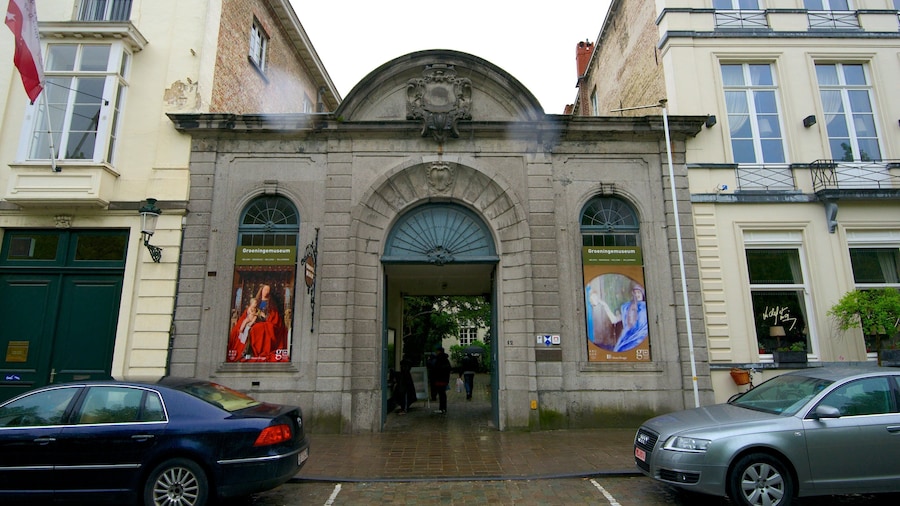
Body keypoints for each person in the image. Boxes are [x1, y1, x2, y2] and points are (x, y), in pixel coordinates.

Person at [596, 284, 649, 353]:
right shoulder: (628, 308)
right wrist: (604, 305)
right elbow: (614, 320)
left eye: (638, 292)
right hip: (628, 341)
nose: (637, 295)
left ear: (642, 294)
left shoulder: (647, 308)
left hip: (641, 340)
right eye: (635, 293)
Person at [431, 346, 451, 414]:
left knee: (441, 394)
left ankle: (442, 408)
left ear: (439, 351)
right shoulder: (446, 359)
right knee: (443, 394)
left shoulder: (438, 359)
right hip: (445, 379)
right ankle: (443, 408)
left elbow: (436, 369)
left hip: (439, 379)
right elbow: (449, 369)